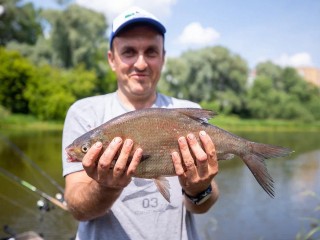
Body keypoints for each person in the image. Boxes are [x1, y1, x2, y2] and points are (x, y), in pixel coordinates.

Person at [62, 6, 219, 240]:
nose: (141, 63)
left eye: (151, 52)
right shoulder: (85, 113)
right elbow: (77, 208)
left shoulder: (190, 113)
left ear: (163, 58)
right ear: (111, 59)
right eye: (129, 52)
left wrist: (199, 189)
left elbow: (205, 203)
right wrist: (107, 186)